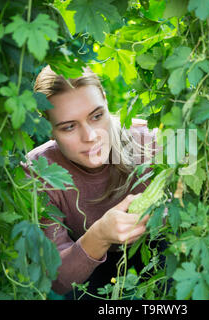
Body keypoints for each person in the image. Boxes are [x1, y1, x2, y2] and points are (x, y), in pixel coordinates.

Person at [20, 65, 162, 299]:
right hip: (85, 261)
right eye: (69, 127)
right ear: (48, 128)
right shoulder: (38, 171)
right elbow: (57, 278)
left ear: (106, 102)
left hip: (155, 248)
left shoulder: (154, 142)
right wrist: (100, 235)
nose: (91, 136)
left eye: (97, 116)